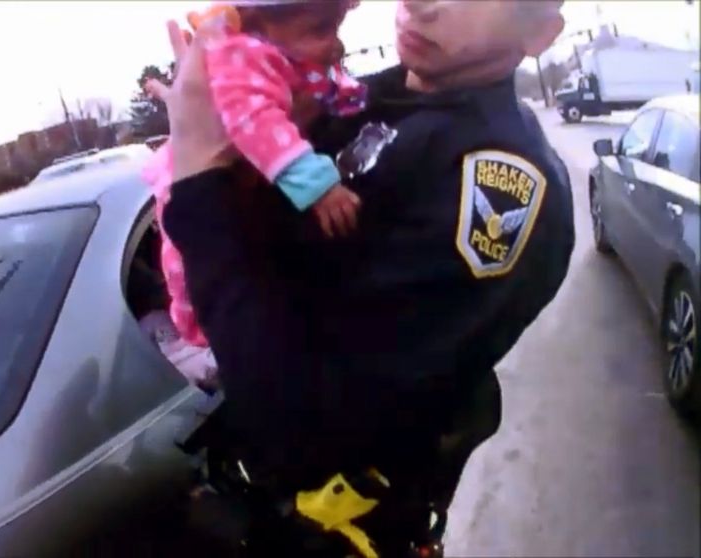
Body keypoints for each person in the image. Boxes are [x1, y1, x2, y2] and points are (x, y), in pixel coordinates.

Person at [149, 0, 575, 556]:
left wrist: (200, 170)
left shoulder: (497, 182)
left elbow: (302, 423)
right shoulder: (366, 97)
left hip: (337, 529)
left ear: (539, 34)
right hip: (246, 503)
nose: (423, 3)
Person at [143, 0, 365, 349]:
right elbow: (256, 121)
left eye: (335, 28)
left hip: (229, 177)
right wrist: (318, 187)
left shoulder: (274, 50)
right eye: (321, 30)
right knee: (184, 263)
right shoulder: (243, 56)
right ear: (258, 25)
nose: (335, 44)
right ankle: (194, 325)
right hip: (187, 183)